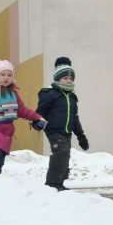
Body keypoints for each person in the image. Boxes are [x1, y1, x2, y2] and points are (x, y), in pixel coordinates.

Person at [36, 56, 89, 191]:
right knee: (60, 153)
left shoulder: (71, 96)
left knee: (65, 155)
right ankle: (52, 184)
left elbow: (75, 117)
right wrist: (37, 121)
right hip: (53, 130)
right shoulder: (50, 93)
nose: (68, 80)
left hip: (67, 131)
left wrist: (81, 135)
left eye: (71, 78)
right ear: (57, 78)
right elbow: (41, 110)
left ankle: (59, 182)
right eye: (65, 78)